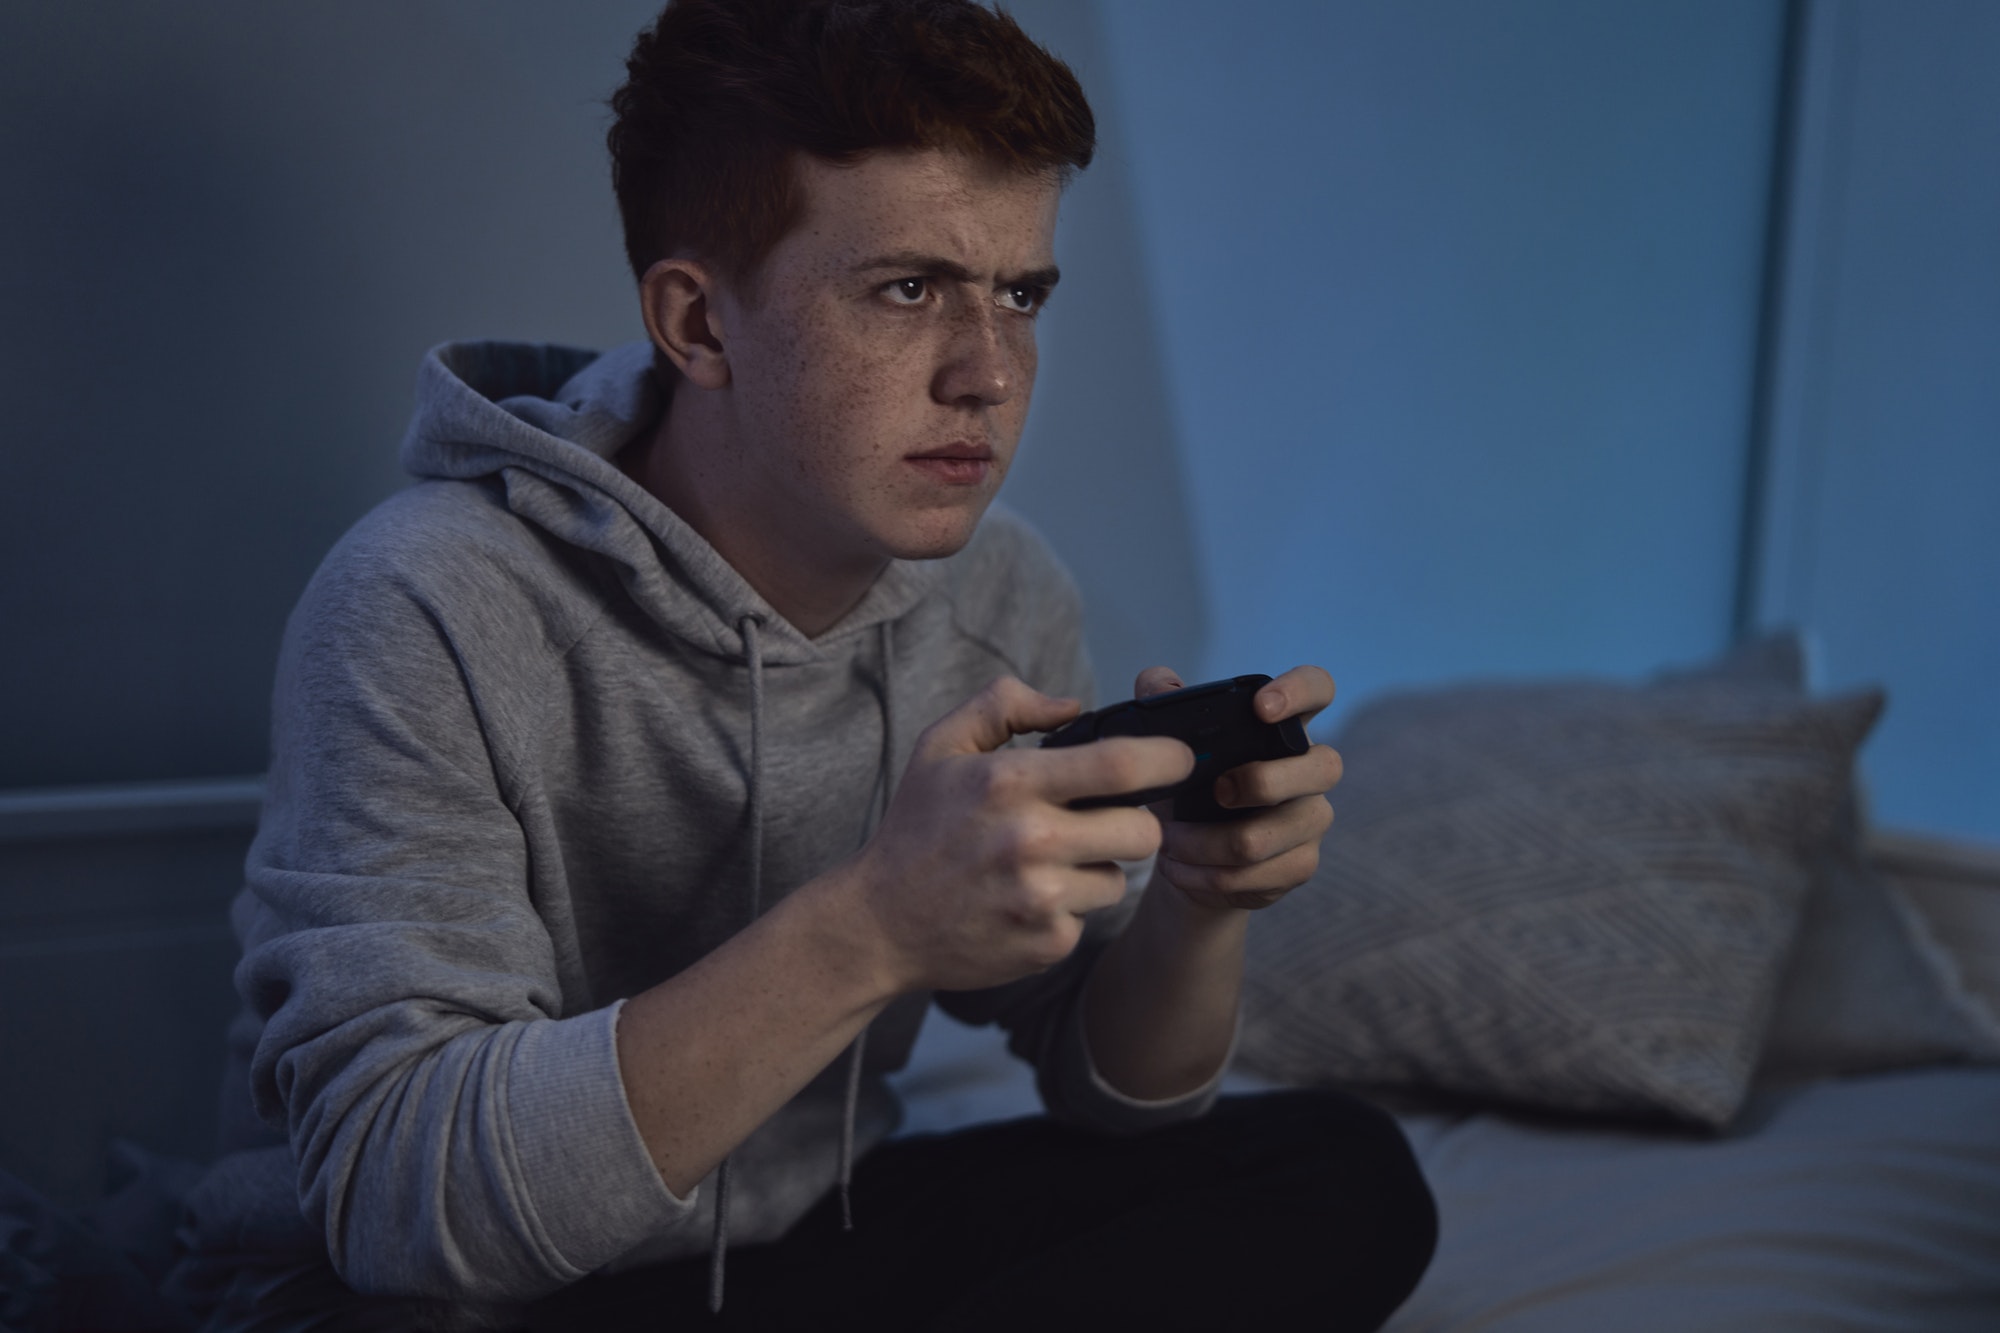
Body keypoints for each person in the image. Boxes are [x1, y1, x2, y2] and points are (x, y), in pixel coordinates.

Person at [166, 1, 1436, 1328]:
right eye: (907, 288)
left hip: (798, 1246)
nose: (990, 374)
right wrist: (875, 926)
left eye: (1021, 293)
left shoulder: (1003, 594)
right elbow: (401, 1205)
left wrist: (1197, 902)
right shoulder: (421, 598)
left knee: (1336, 1171)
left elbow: (1112, 1086)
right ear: (699, 325)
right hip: (463, 1300)